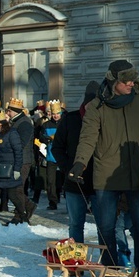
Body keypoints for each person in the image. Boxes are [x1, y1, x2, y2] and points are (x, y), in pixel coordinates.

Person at [69, 60, 139, 277]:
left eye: (133, 80)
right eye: (126, 80)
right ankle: (110, 271)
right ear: (113, 81)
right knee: (106, 227)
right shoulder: (97, 107)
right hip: (106, 177)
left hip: (136, 176)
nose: (131, 83)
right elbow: (87, 138)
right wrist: (80, 163)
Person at [51, 81, 99, 243]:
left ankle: (106, 260)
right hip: (74, 182)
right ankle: (75, 262)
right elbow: (57, 147)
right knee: (76, 224)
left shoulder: (105, 119)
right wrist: (67, 168)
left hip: (100, 182)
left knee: (104, 225)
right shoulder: (70, 120)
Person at [0, 111, 25, 225]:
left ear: (3, 123)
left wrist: (17, 169)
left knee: (12, 195)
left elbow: (18, 152)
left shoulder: (11, 133)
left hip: (9, 168)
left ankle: (23, 215)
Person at [5, 98, 37, 221]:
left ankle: (20, 215)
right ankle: (27, 206)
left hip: (23, 160)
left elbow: (21, 143)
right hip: (16, 160)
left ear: (14, 111)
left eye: (9, 111)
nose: (7, 113)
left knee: (16, 188)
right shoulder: (16, 121)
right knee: (14, 188)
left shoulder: (24, 123)